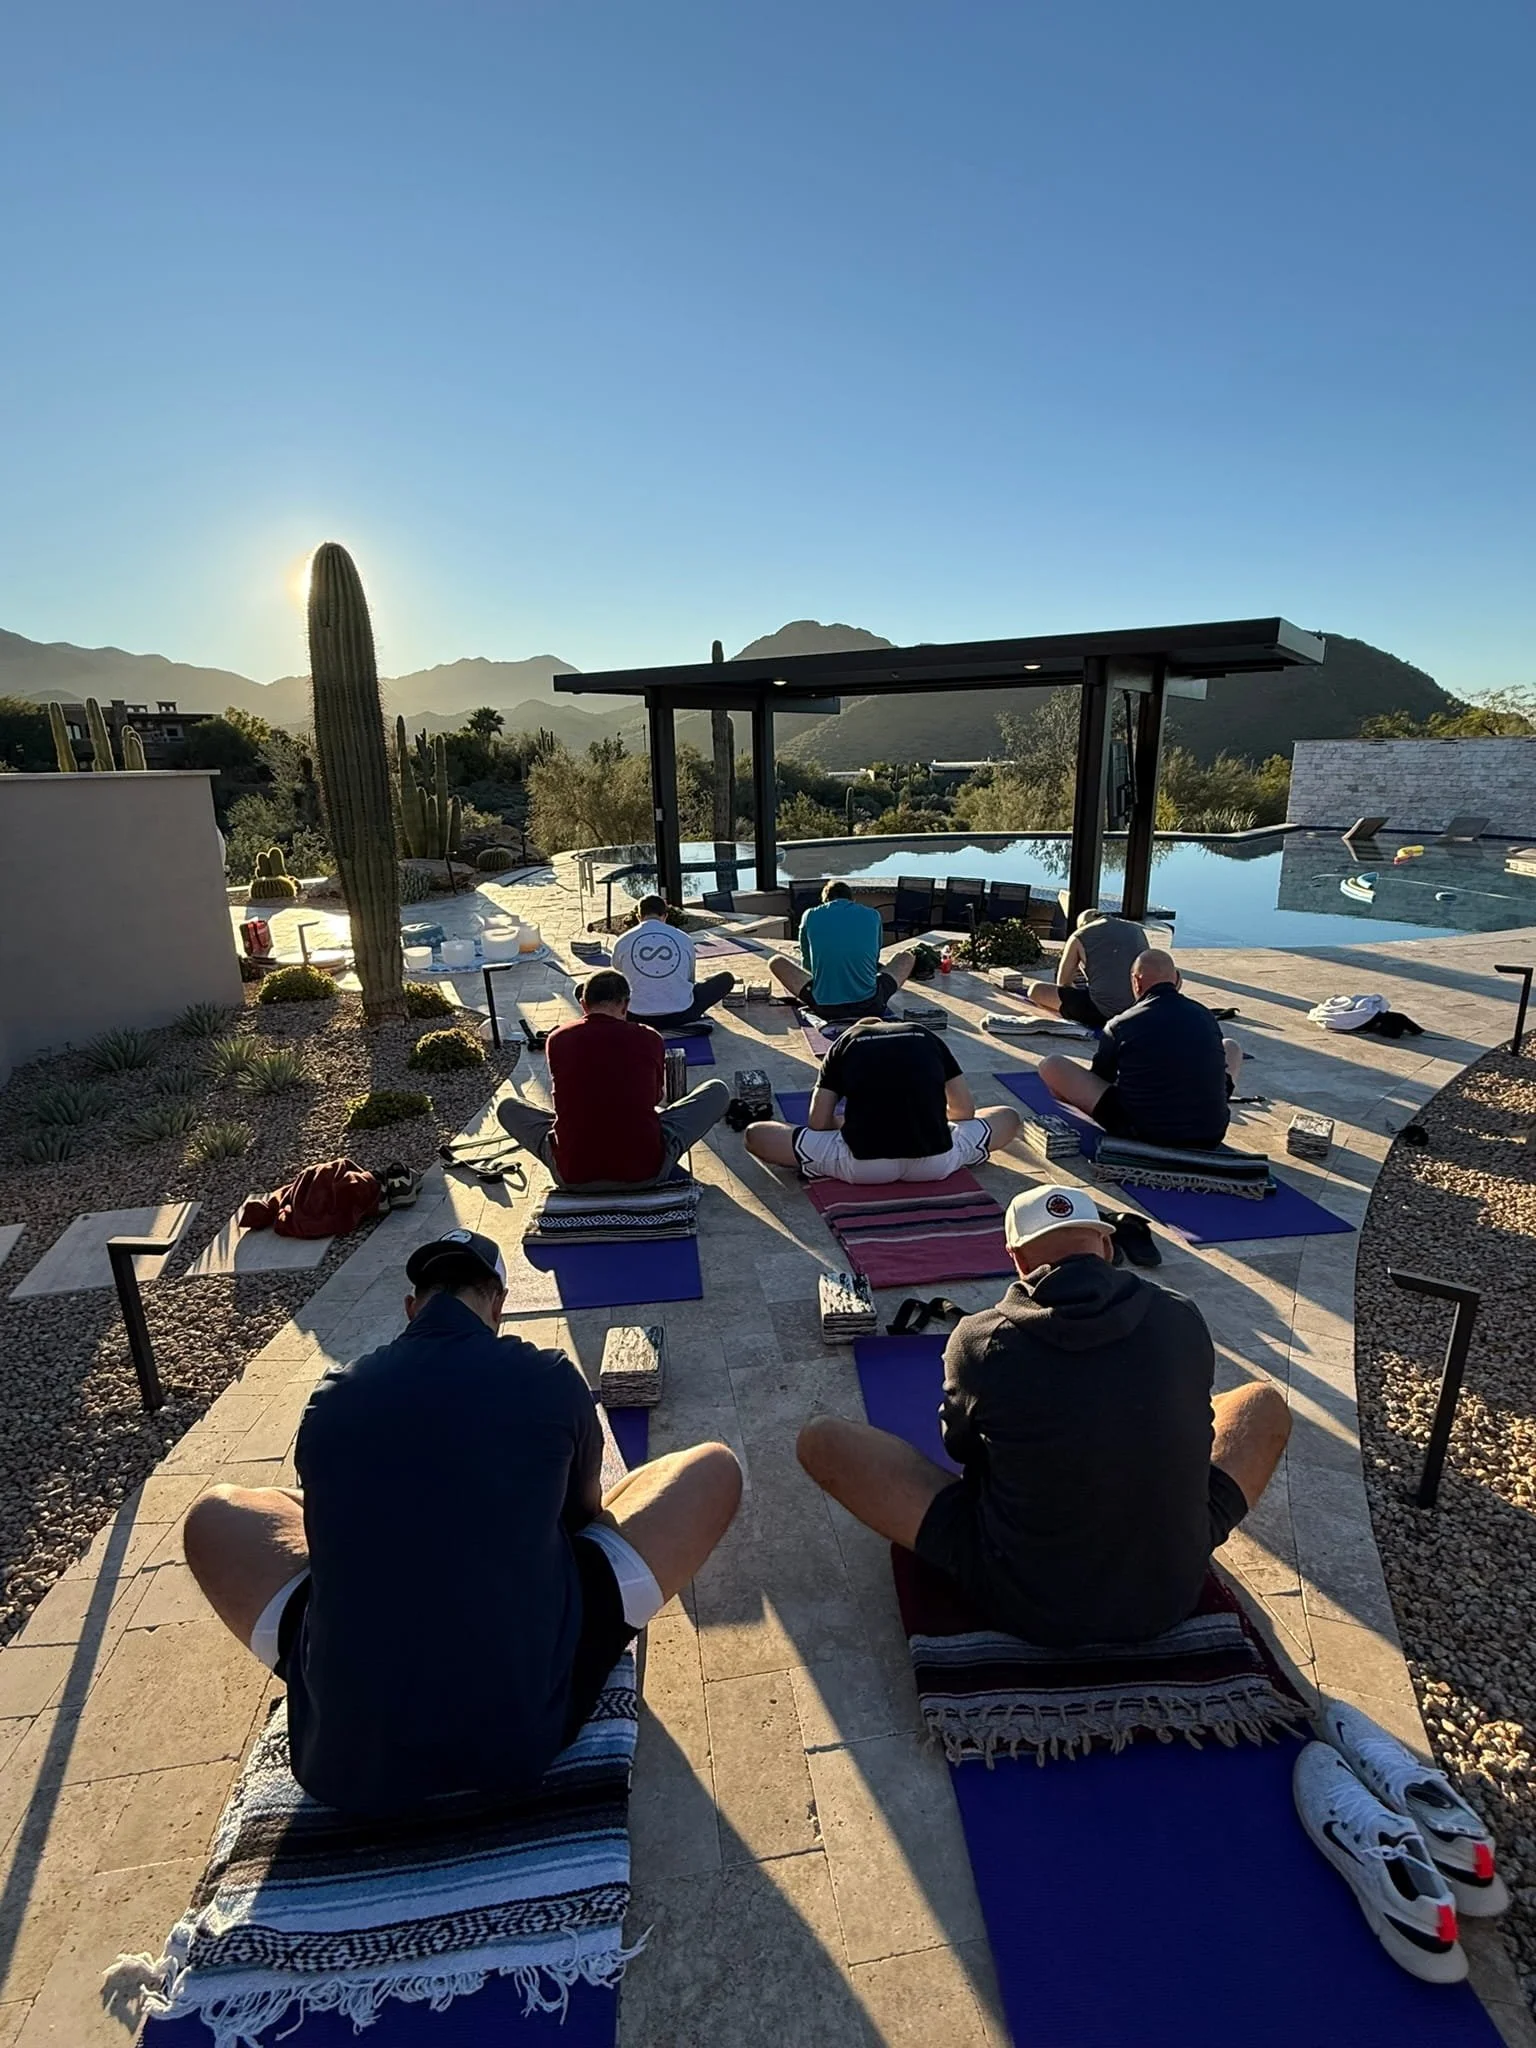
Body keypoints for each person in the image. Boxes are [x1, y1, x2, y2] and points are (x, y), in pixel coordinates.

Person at [182, 1229, 742, 1815]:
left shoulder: (334, 1398)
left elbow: (327, 1557)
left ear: (411, 1307)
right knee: (710, 1469)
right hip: (520, 1739)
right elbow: (582, 1520)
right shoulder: (548, 1378)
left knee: (217, 1513)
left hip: (346, 1758)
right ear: (497, 1304)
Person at [797, 1185, 1290, 1647]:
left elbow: (959, 1450)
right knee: (1260, 1404)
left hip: (1025, 1604)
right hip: (1169, 1596)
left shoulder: (980, 1339)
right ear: (1106, 1246)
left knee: (823, 1440)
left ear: (1015, 1258)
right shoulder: (1181, 1316)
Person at [495, 967, 730, 1189]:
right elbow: (657, 1097)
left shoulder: (557, 1039)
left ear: (583, 1005)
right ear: (626, 1004)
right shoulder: (649, 1037)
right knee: (717, 1091)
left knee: (508, 1107)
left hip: (572, 1175)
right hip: (646, 1173)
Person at [744, 1014, 1021, 1181]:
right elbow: (964, 1111)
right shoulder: (926, 1036)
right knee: (1008, 1117)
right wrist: (927, 1117)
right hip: (936, 1161)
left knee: (756, 1134)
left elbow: (817, 1121)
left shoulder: (845, 1044)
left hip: (860, 1165)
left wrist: (846, 1122)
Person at [1038, 948, 1242, 1149]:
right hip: (1210, 1132)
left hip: (1144, 1131)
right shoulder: (1205, 1016)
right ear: (1177, 980)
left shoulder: (1121, 1024)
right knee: (1231, 1047)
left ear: (1136, 982)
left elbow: (1101, 1078)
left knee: (1052, 1065)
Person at [769, 880, 915, 1017]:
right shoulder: (873, 915)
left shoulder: (811, 915)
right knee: (907, 957)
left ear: (825, 900)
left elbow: (807, 963)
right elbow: (874, 958)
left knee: (776, 961)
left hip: (825, 1007)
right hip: (870, 1004)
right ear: (852, 900)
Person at [611, 895, 735, 1027]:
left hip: (635, 1016)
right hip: (682, 1014)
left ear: (638, 916)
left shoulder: (623, 940)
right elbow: (689, 979)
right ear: (665, 916)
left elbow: (617, 970)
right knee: (726, 979)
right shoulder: (684, 938)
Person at [1025, 907, 1148, 1029]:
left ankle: (1068, 1020)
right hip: (1138, 1009)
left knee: (1035, 990)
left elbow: (1063, 983)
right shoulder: (1136, 930)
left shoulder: (1080, 935)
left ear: (1083, 925)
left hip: (1101, 1012)